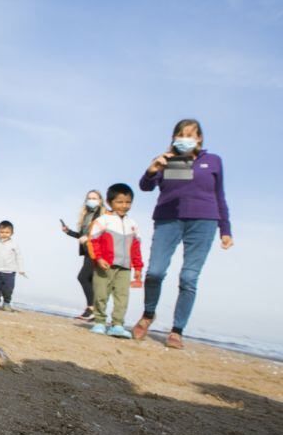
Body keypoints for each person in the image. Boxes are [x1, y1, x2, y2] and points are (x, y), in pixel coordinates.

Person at [132, 119, 233, 349]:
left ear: (199, 138)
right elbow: (146, 187)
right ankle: (148, 315)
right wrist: (152, 170)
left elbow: (220, 196)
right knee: (155, 271)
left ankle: (177, 331)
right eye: (180, 134)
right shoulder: (168, 160)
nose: (184, 138)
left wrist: (225, 229)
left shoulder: (213, 161)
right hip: (169, 219)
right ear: (174, 138)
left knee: (189, 278)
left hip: (204, 221)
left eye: (190, 134)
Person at [85, 183, 144, 339]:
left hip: (125, 268)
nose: (124, 205)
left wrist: (138, 267)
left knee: (122, 297)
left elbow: (136, 248)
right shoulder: (103, 220)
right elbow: (92, 241)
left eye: (128, 202)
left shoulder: (133, 225)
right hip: (105, 265)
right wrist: (98, 258)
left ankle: (117, 325)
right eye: (120, 202)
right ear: (110, 202)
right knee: (101, 294)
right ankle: (99, 322)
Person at [61, 189, 105, 321]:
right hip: (87, 251)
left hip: (96, 252)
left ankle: (92, 308)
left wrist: (89, 238)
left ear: (100, 200)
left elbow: (103, 233)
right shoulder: (86, 216)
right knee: (91, 280)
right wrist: (68, 232)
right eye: (89, 198)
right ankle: (94, 310)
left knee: (83, 277)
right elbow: (82, 236)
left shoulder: (103, 216)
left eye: (94, 198)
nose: (91, 201)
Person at [0, 220, 26, 311]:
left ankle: (6, 303)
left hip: (10, 272)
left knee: (8, 289)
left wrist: (21, 269)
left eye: (7, 232)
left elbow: (19, 257)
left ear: (12, 233)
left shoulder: (14, 245)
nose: (4, 234)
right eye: (2, 232)